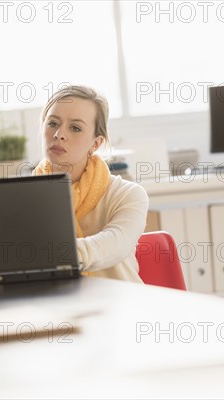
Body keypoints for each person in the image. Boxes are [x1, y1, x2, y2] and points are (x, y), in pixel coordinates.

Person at [33, 86, 149, 281]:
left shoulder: (128, 195)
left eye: (75, 128)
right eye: (52, 123)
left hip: (121, 306)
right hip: (54, 306)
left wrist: (39, 256)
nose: (59, 134)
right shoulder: (24, 196)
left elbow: (115, 244)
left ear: (96, 144)